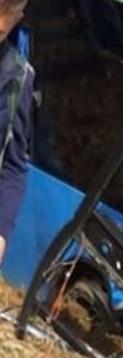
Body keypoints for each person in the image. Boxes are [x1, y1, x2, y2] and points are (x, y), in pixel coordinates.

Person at [0, 0, 32, 262]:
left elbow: (14, 165)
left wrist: (1, 231)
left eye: (9, 12)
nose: (0, 23)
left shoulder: (18, 77)